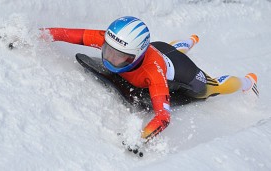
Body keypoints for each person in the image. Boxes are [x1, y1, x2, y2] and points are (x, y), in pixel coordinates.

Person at [41, 16, 259, 142]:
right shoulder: (113, 40)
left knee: (211, 88)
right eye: (107, 50)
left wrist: (140, 137)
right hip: (160, 48)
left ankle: (249, 81)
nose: (111, 58)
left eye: (120, 57)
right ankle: (187, 42)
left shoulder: (154, 74)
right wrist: (32, 34)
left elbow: (163, 117)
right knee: (169, 49)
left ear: (137, 55)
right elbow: (63, 33)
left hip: (185, 73)